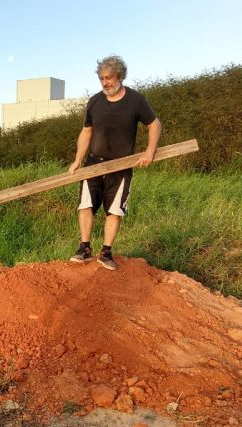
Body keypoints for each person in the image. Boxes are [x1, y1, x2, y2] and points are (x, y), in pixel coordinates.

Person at [68, 55, 162, 271]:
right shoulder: (95, 101)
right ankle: (84, 247)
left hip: (121, 166)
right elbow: (86, 131)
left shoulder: (136, 101)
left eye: (108, 78)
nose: (104, 83)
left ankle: (106, 252)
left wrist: (150, 151)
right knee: (85, 205)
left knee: (115, 211)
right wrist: (77, 160)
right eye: (101, 78)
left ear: (120, 76)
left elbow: (155, 125)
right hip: (94, 164)